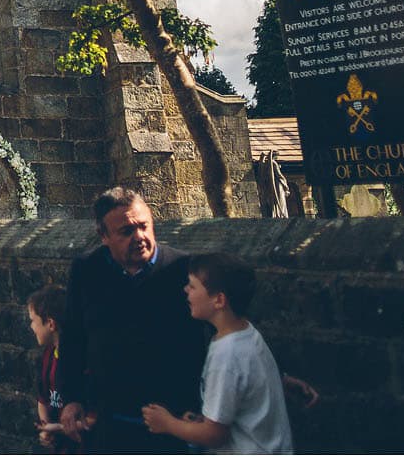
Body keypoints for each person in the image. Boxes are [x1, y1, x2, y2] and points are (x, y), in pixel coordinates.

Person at [57, 187, 208, 453]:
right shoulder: (87, 270)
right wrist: (71, 399)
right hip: (111, 422)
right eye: (126, 231)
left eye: (144, 226)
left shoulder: (182, 269)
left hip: (174, 420)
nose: (139, 237)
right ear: (103, 236)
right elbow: (73, 337)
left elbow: (218, 331)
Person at [141, 253, 294, 453]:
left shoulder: (226, 355)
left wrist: (168, 424)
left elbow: (214, 436)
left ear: (219, 300)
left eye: (192, 286)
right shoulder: (245, 332)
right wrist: (201, 422)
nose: (186, 290)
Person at [27, 285, 75, 451]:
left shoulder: (82, 362)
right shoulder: (47, 355)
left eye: (33, 321)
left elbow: (93, 417)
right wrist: (46, 428)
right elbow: (43, 399)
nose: (31, 327)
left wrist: (60, 428)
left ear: (50, 323)